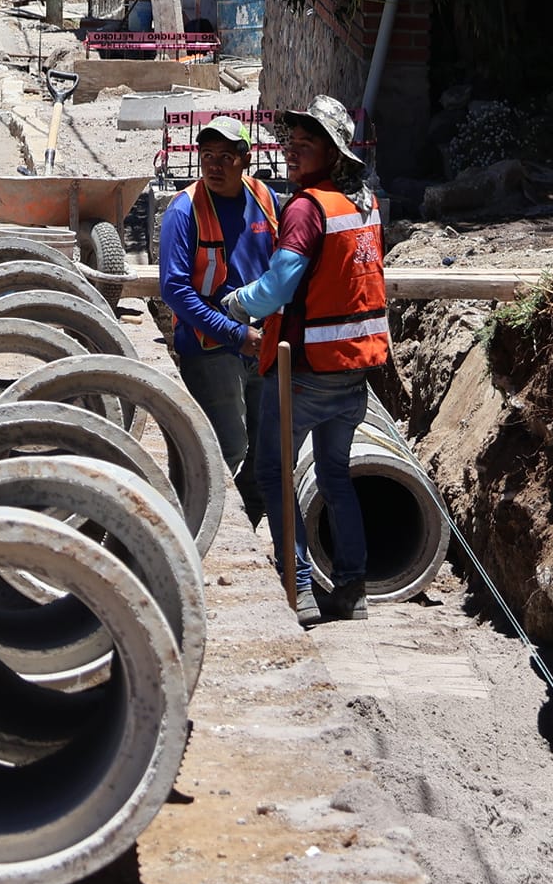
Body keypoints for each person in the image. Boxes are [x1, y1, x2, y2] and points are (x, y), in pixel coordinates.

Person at [222, 95, 388, 627]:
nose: (292, 151)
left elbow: (279, 288)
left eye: (306, 142)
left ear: (332, 152)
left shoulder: (305, 208)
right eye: (290, 141)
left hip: (306, 370)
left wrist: (238, 302)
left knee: (273, 471)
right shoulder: (364, 203)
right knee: (335, 473)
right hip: (355, 370)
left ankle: (297, 587)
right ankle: (352, 589)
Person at [157, 117, 276, 522]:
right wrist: (234, 333)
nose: (214, 165)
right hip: (212, 350)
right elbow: (174, 290)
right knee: (227, 450)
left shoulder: (265, 199)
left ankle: (252, 533)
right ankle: (201, 527)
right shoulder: (184, 211)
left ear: (245, 159)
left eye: (226, 156)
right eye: (207, 156)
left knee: (268, 454)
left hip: (264, 345)